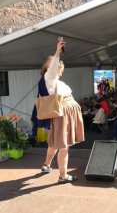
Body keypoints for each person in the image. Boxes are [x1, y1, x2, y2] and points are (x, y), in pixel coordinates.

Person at [33, 40, 84, 183]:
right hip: (62, 116)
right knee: (63, 146)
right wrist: (58, 51)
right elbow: (54, 64)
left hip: (66, 114)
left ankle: (46, 165)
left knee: (54, 144)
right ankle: (63, 175)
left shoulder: (54, 81)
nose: (60, 70)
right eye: (58, 67)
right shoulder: (49, 78)